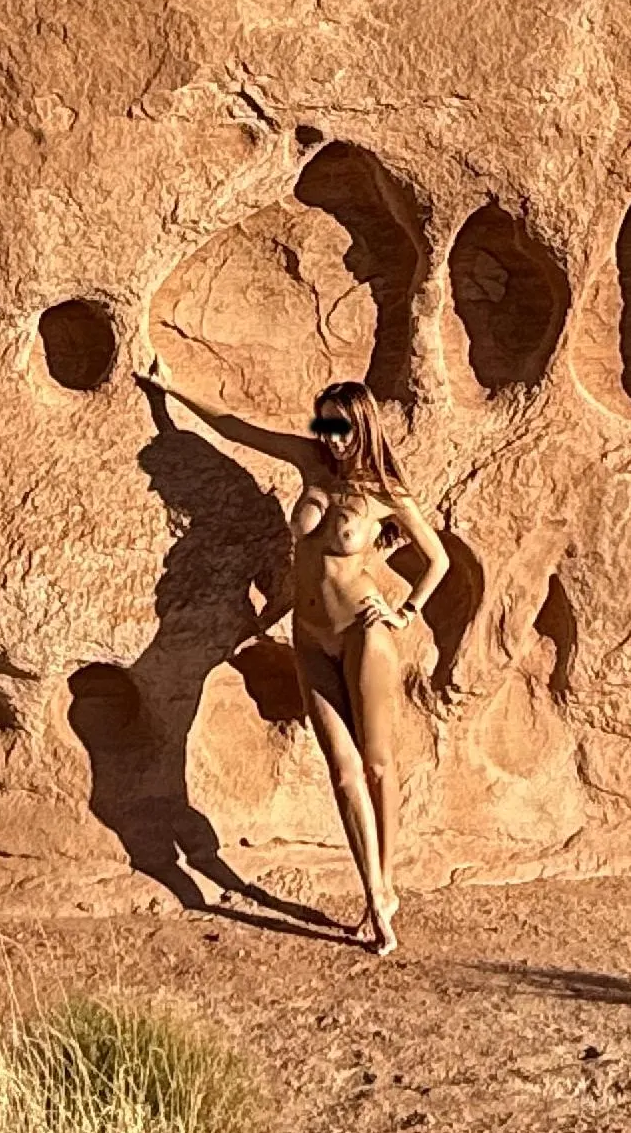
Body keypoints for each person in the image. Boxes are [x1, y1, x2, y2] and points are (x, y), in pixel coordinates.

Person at [139, 362, 449, 954]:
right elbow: (234, 427)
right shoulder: (308, 461)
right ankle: (376, 890)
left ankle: (381, 895)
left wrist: (404, 612)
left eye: (341, 430)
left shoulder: (386, 495)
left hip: (363, 632)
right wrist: (170, 389)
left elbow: (437, 561)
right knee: (341, 769)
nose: (331, 439)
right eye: (326, 427)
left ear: (363, 428)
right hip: (308, 634)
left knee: (377, 766)